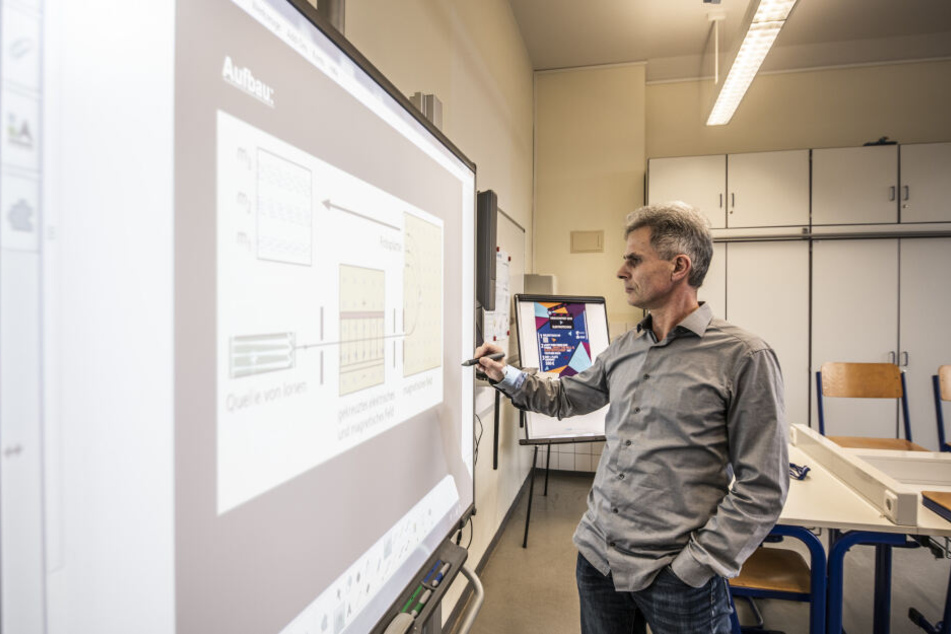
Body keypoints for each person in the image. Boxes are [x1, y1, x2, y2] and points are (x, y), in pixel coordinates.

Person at [473, 201, 788, 634]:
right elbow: (566, 397)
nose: (622, 271)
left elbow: (764, 486)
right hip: (600, 560)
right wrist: (503, 373)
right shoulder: (625, 347)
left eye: (634, 260)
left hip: (678, 578)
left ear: (679, 266)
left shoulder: (743, 357)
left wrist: (695, 567)